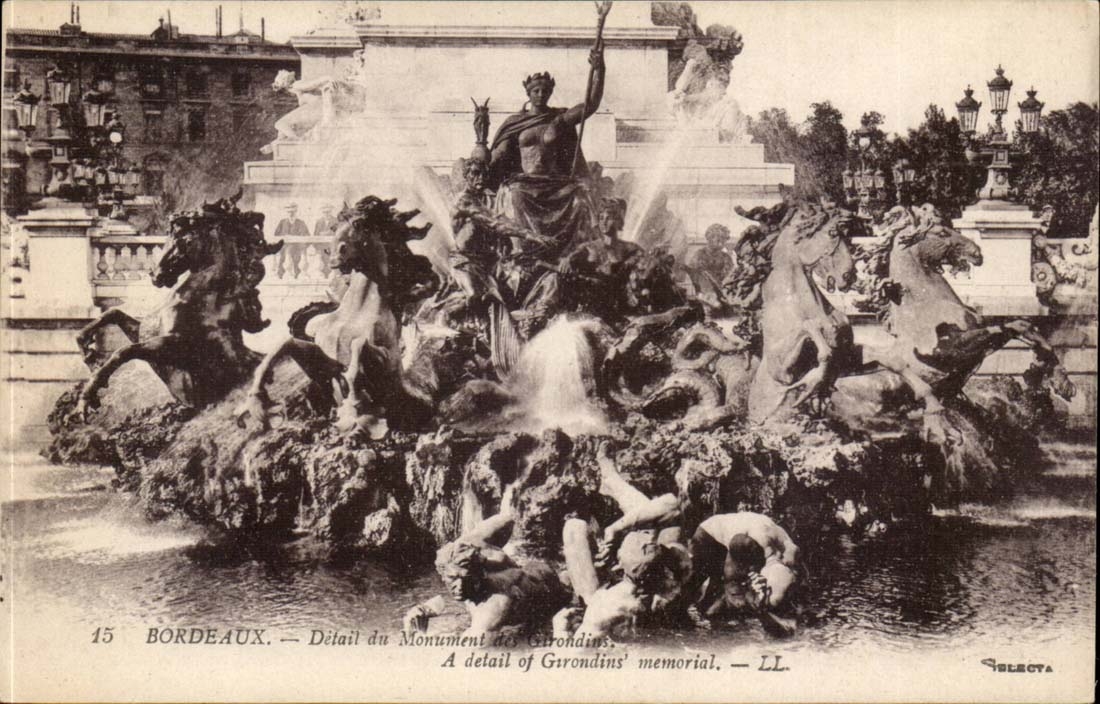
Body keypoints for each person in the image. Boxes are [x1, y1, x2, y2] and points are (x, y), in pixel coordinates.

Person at [555, 442, 690, 640]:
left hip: (596, 600)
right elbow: (671, 504)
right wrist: (618, 528)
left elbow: (567, 659)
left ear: (619, 563)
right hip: (646, 599)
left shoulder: (604, 606)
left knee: (574, 527)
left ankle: (611, 480)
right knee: (652, 518)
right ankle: (612, 480)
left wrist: (559, 630)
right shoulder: (675, 566)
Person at [403, 493, 571, 638]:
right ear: (443, 575)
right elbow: (506, 519)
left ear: (479, 575)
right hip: (529, 574)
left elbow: (465, 654)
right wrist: (468, 541)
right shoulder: (473, 549)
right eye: (453, 579)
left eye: (465, 579)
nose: (459, 586)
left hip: (550, 592)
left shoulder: (493, 605)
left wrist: (419, 635)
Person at [685, 511, 800, 636]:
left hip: (737, 534)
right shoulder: (755, 544)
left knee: (723, 590)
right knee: (709, 584)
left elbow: (790, 570)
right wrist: (759, 607)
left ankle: (709, 616)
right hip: (709, 534)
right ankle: (689, 618)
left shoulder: (789, 550)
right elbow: (733, 578)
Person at [688, 223, 734, 308]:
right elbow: (696, 277)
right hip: (705, 295)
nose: (721, 244)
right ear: (710, 238)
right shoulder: (699, 255)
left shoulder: (726, 257)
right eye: (718, 240)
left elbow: (730, 276)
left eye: (724, 241)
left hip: (724, 294)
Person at [273, 203, 310, 278]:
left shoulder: (300, 223)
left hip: (297, 248)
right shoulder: (282, 222)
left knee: (298, 262)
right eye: (289, 212)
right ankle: (281, 277)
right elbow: (276, 235)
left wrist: (295, 238)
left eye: (292, 212)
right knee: (282, 262)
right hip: (285, 248)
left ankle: (298, 277)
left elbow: (306, 235)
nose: (290, 214)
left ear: (296, 212)